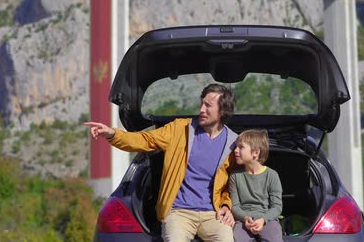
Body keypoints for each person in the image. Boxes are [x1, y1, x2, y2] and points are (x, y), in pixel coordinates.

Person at [85, 83, 238, 242]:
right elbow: (145, 140)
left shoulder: (232, 143)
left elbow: (231, 185)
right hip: (179, 212)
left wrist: (226, 206)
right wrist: (112, 134)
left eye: (208, 106)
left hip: (212, 214)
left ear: (222, 110)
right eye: (201, 103)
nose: (201, 109)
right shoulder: (180, 129)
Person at [229, 129, 283, 242]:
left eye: (241, 147)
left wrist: (263, 219)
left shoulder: (272, 175)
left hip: (268, 219)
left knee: (274, 238)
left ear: (255, 153)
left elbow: (277, 207)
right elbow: (235, 206)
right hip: (243, 220)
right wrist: (245, 218)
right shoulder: (235, 177)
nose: (235, 150)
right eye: (236, 147)